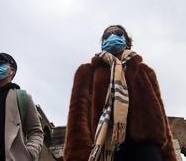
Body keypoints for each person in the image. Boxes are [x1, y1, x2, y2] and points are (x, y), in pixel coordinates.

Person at [64, 25, 176, 161]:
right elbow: (77, 115)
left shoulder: (145, 71)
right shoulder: (87, 71)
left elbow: (161, 116)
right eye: (106, 36)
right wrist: (77, 154)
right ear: (102, 44)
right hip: (106, 145)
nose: (112, 36)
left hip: (147, 147)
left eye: (117, 33)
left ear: (127, 41)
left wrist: (169, 156)